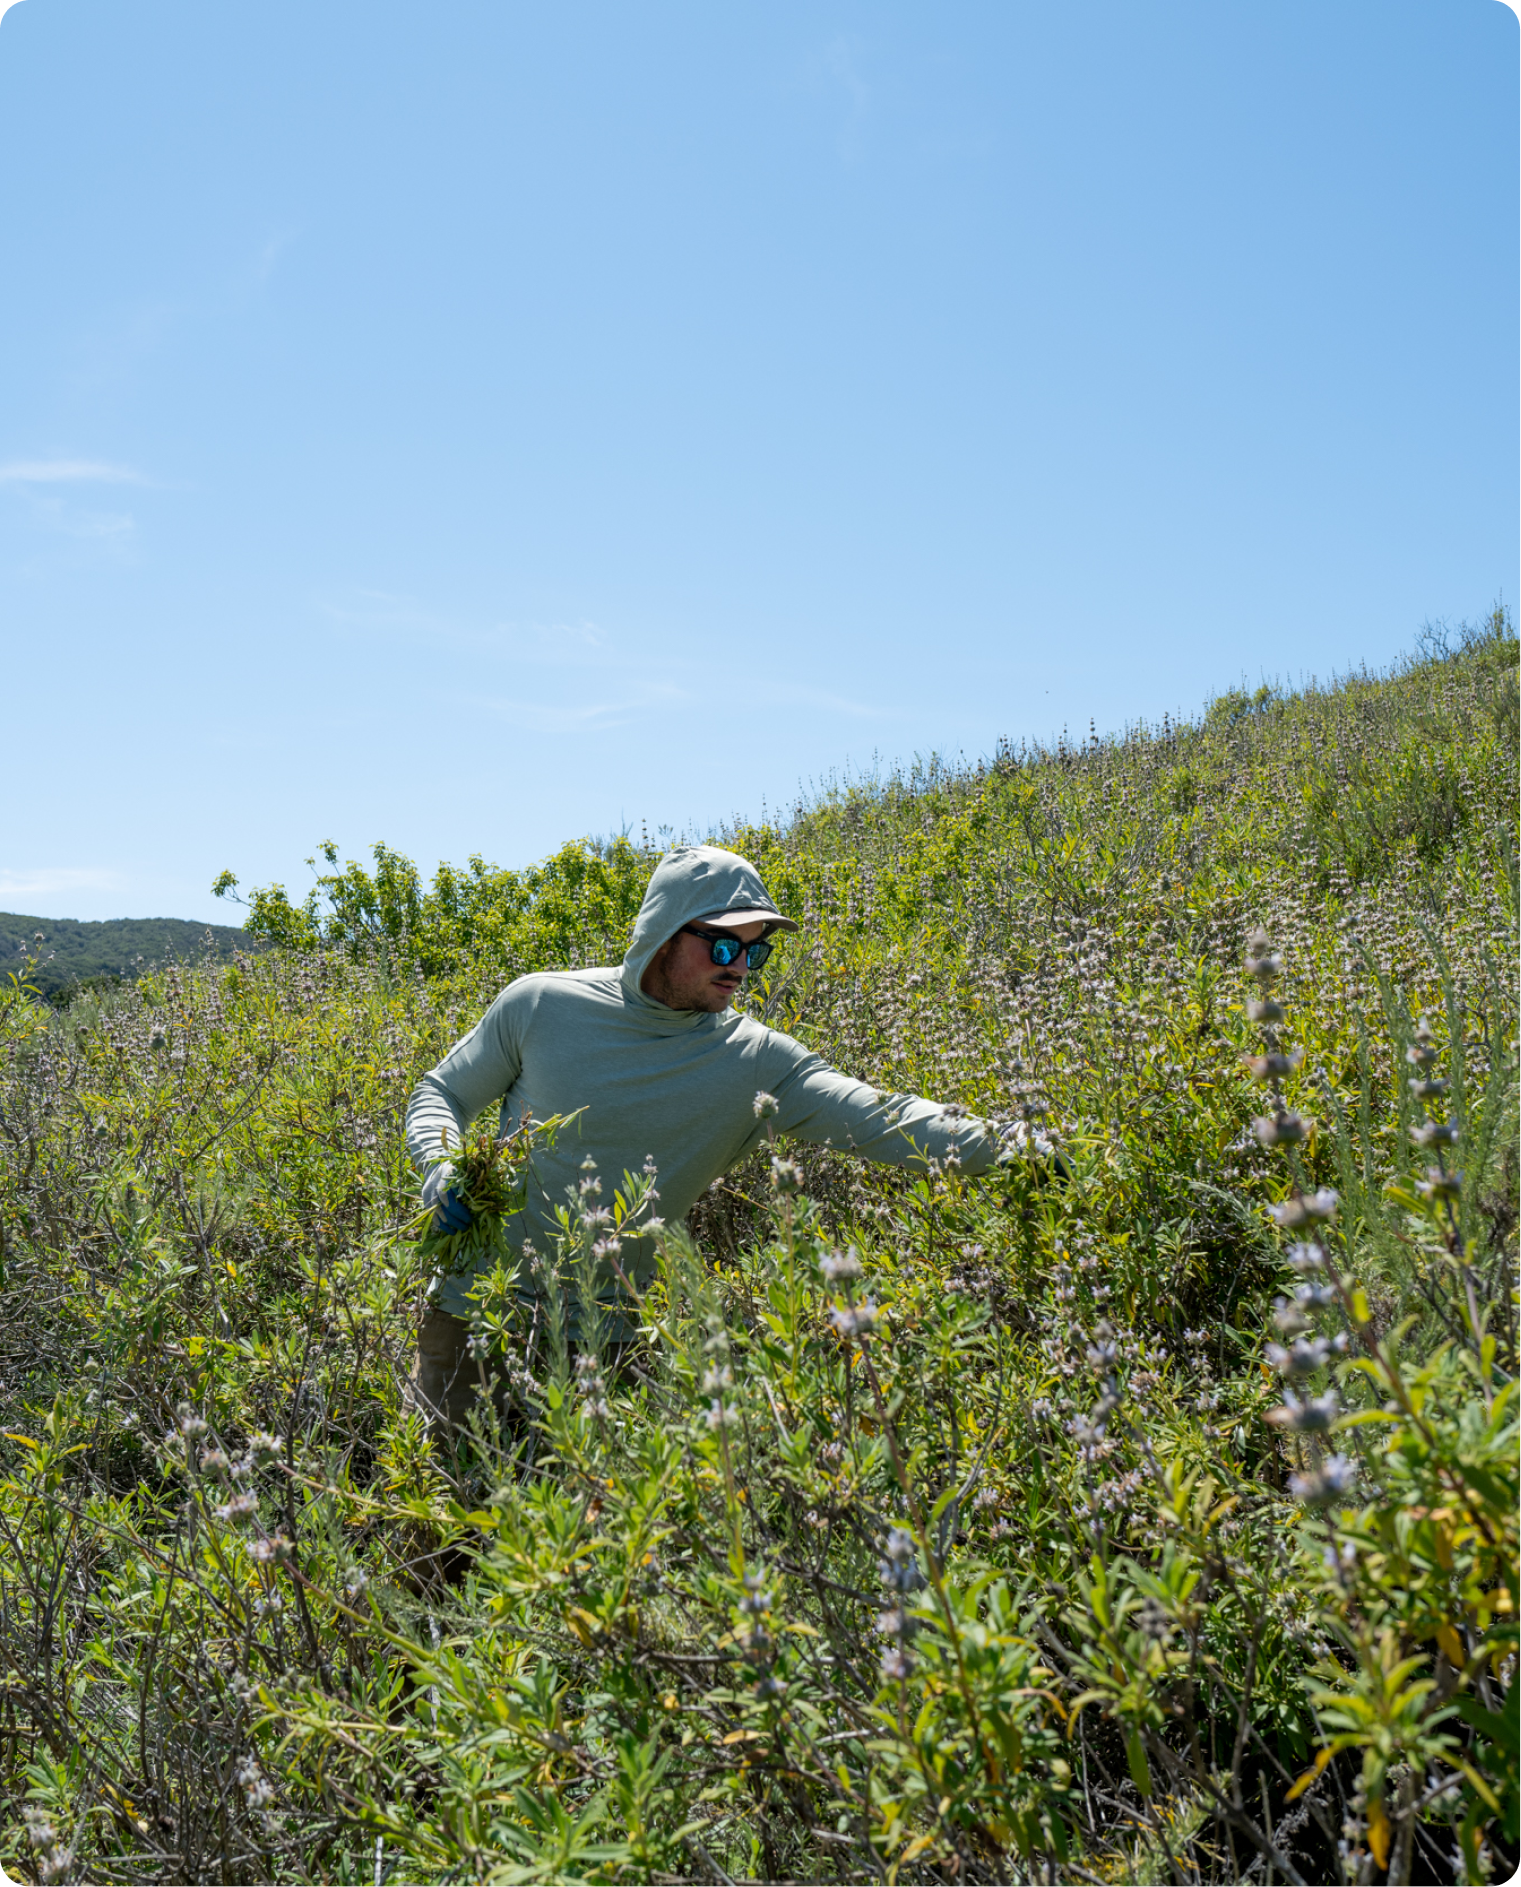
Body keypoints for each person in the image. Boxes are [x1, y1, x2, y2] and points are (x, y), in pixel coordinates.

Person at [403, 843, 1011, 1430]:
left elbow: (884, 1117)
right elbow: (442, 1093)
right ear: (665, 933)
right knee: (444, 1517)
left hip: (612, 1340)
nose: (741, 968)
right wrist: (440, 1167)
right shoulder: (541, 1005)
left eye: (754, 951)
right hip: (475, 1311)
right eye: (724, 945)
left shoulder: (756, 1061)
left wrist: (1020, 1147)